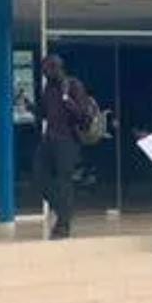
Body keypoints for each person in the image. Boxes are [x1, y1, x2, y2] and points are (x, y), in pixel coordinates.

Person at [31, 54, 89, 240]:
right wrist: (31, 107)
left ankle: (63, 225)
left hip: (68, 140)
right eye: (43, 70)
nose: (45, 73)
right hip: (49, 139)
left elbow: (83, 116)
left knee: (64, 182)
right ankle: (64, 212)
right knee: (39, 177)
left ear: (57, 68)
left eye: (47, 69)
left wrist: (66, 98)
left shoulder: (73, 85)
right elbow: (45, 113)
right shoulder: (48, 87)